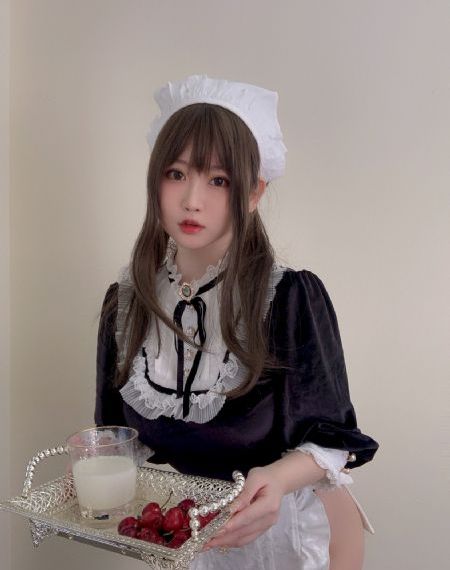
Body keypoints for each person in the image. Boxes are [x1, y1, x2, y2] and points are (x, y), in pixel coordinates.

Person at [95, 74, 379, 570]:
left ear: (252, 192)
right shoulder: (126, 304)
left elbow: (333, 440)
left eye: (218, 180)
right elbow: (117, 441)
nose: (192, 200)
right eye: (176, 173)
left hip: (295, 536)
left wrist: (277, 478)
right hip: (195, 541)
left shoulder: (288, 298)